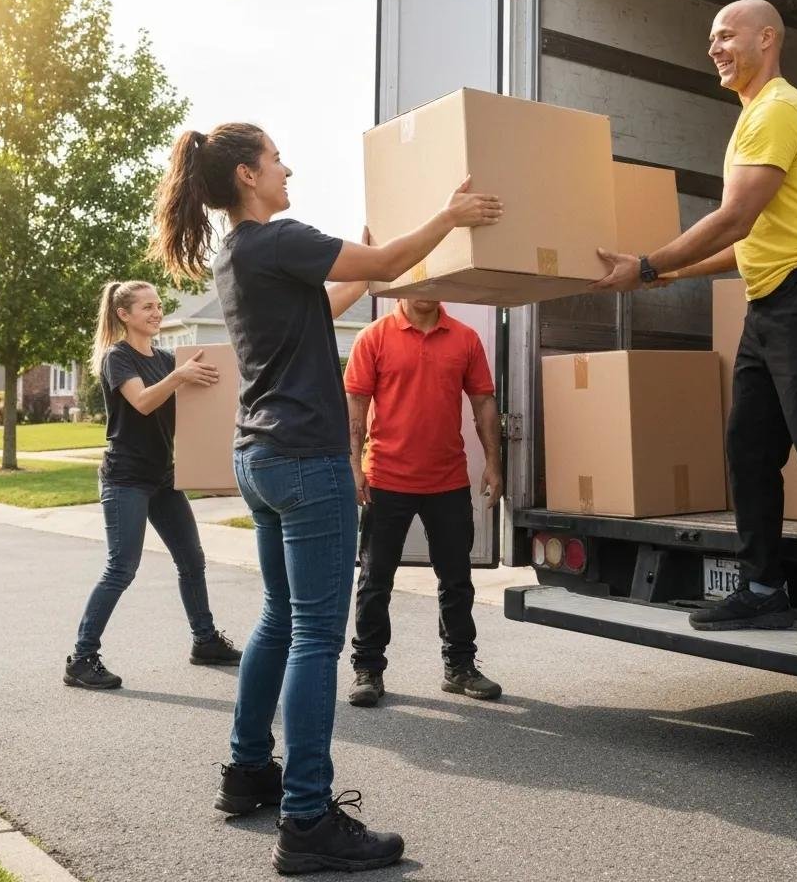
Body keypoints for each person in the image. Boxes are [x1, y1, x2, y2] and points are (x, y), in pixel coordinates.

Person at [149, 122, 502, 874]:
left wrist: (374, 261)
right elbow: (390, 261)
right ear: (247, 175)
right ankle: (307, 818)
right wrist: (448, 217)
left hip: (259, 455)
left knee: (281, 619)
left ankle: (248, 773)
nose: (287, 169)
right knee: (315, 635)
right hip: (307, 460)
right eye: (277, 159)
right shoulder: (280, 239)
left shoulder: (239, 254)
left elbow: (344, 291)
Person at [593, 0, 797, 661]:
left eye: (725, 35)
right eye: (710, 38)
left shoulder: (777, 110)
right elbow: (748, 240)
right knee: (748, 450)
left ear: (767, 39)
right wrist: (661, 278)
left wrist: (648, 263)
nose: (713, 47)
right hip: (771, 305)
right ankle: (765, 589)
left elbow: (735, 218)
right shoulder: (751, 120)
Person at [64, 281, 242, 691]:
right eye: (147, 306)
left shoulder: (166, 358)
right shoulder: (117, 358)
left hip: (163, 477)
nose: (157, 312)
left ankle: (205, 640)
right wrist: (180, 376)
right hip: (126, 477)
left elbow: (195, 415)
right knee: (121, 567)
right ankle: (81, 658)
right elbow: (143, 402)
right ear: (124, 314)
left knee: (192, 559)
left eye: (159, 306)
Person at [344, 298, 503, 708]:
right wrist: (353, 465)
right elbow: (356, 404)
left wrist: (493, 463)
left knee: (456, 579)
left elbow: (483, 401)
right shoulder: (373, 336)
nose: (425, 289)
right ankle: (368, 669)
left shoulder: (465, 339)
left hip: (446, 479)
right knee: (375, 580)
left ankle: (460, 667)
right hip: (386, 477)